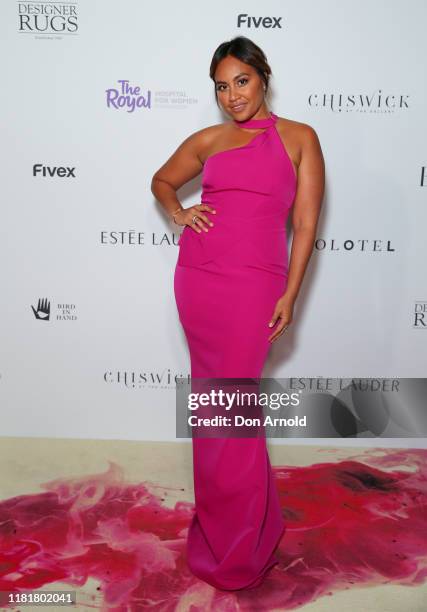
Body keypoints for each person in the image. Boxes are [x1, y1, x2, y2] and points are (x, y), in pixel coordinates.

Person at [151, 35, 325, 591]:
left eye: (241, 81)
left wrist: (291, 294)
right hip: (200, 281)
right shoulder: (209, 139)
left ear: (263, 78)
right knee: (217, 412)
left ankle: (242, 540)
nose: (232, 96)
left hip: (255, 289)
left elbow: (303, 227)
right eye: (222, 87)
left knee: (233, 410)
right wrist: (180, 210)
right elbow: (162, 180)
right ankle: (232, 534)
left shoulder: (300, 138)